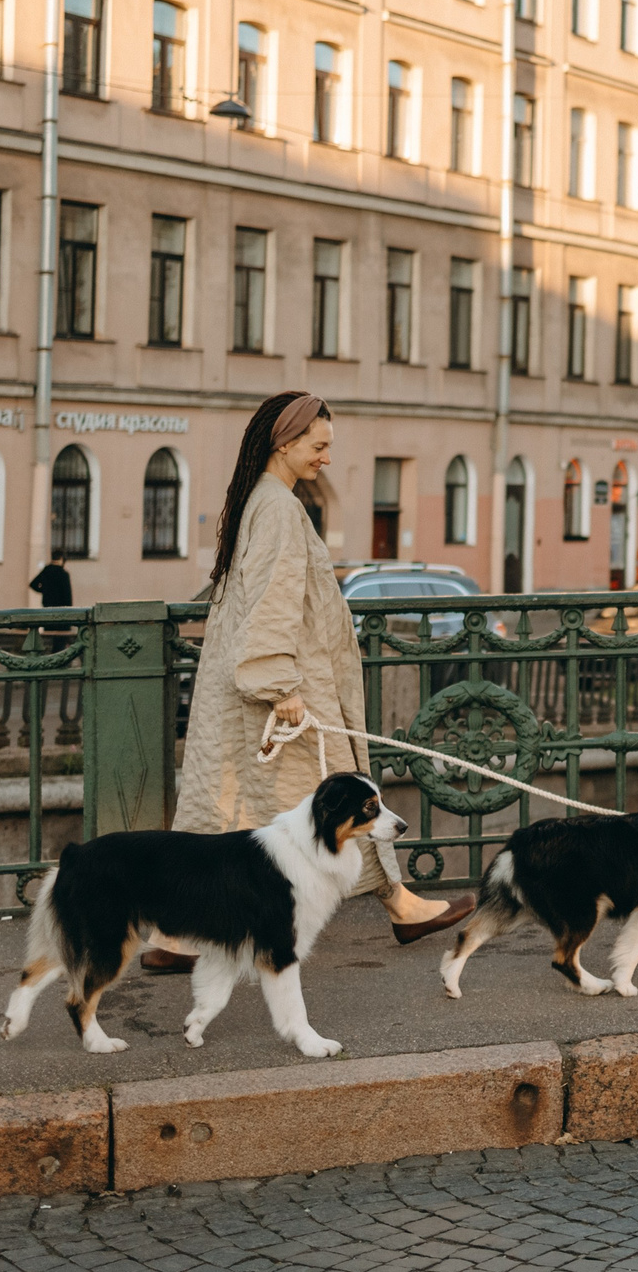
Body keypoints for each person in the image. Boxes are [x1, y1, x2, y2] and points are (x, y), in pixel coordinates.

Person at [148, 391, 468, 971]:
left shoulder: (265, 501)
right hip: (283, 699)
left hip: (254, 698)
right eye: (318, 446)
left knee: (231, 814)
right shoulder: (277, 508)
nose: (325, 457)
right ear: (285, 442)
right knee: (334, 801)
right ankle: (400, 905)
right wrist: (281, 686)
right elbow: (272, 601)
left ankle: (177, 936)